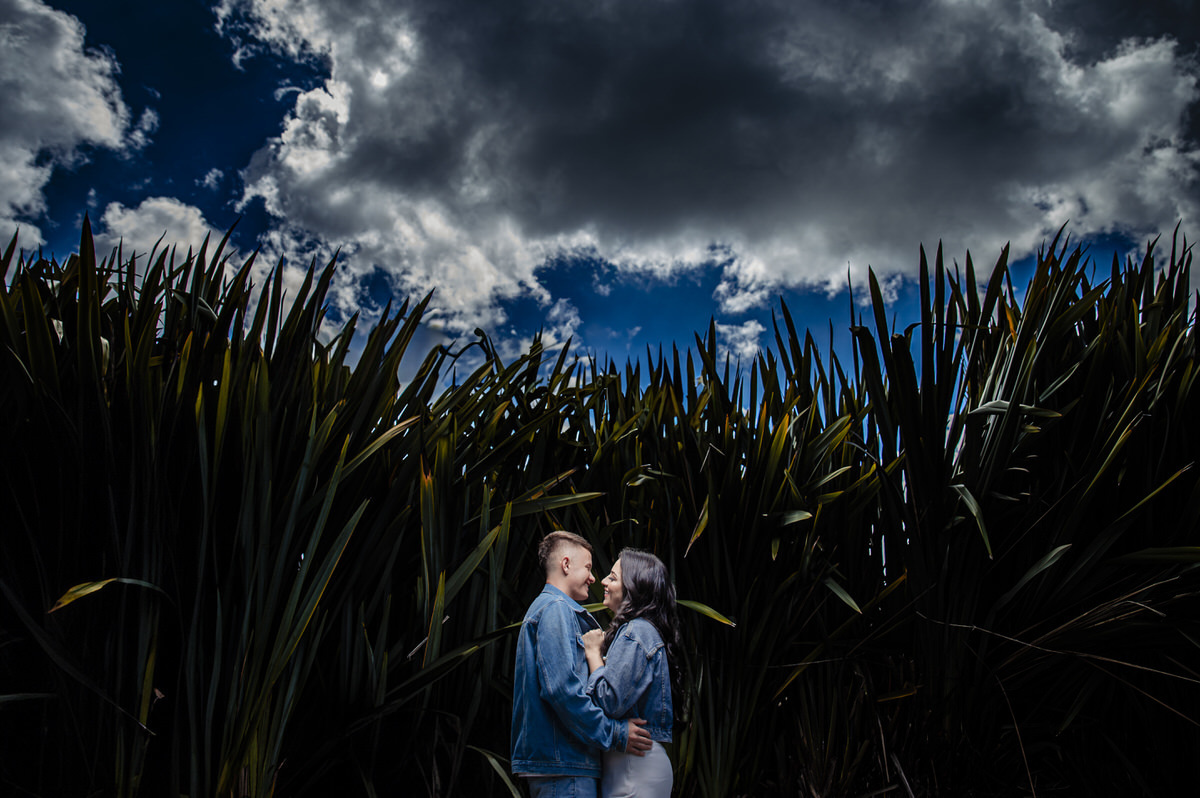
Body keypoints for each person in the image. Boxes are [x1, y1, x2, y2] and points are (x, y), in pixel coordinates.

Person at [512, 531, 653, 798]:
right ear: (566, 565)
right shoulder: (555, 609)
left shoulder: (546, 609)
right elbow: (563, 691)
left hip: (560, 766)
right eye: (588, 567)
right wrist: (615, 734)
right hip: (565, 766)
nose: (593, 578)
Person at [582, 549, 680, 798]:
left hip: (634, 769)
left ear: (634, 589)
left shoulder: (636, 631)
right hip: (632, 767)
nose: (603, 582)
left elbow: (610, 701)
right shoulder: (641, 630)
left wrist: (593, 654)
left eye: (613, 578)